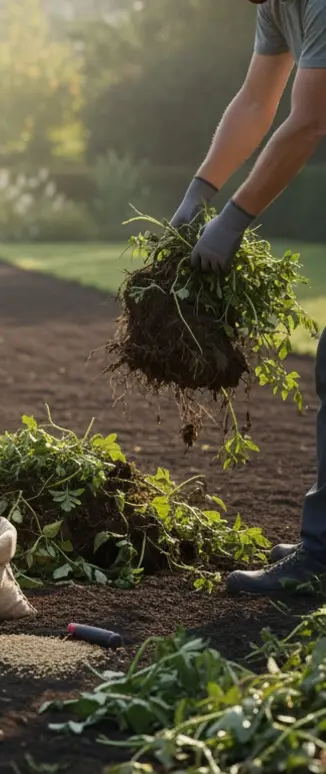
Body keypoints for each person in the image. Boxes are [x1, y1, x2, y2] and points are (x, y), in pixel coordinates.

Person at [172, 0, 326, 594]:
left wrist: (235, 218)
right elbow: (256, 101)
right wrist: (200, 191)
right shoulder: (276, 7)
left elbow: (311, 118)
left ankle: (323, 555)